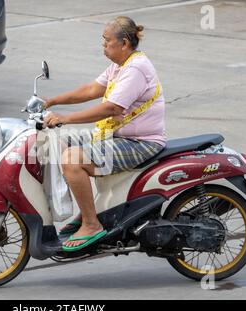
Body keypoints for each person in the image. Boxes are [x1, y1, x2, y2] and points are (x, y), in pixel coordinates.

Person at [43, 16, 166, 252]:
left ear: (124, 43)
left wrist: (66, 118)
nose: (103, 45)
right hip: (117, 136)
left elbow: (112, 108)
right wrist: (52, 101)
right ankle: (88, 210)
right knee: (54, 143)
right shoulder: (120, 66)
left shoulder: (136, 69)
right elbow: (92, 89)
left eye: (107, 41)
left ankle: (91, 224)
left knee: (73, 159)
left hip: (140, 143)